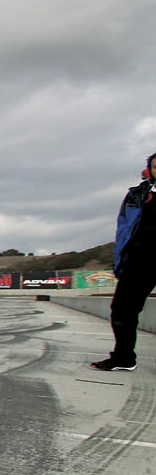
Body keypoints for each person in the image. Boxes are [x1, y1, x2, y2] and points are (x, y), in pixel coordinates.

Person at [91, 151, 156, 371]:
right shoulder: (136, 195)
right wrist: (120, 261)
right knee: (122, 311)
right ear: (150, 170)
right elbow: (123, 230)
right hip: (138, 261)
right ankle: (124, 358)